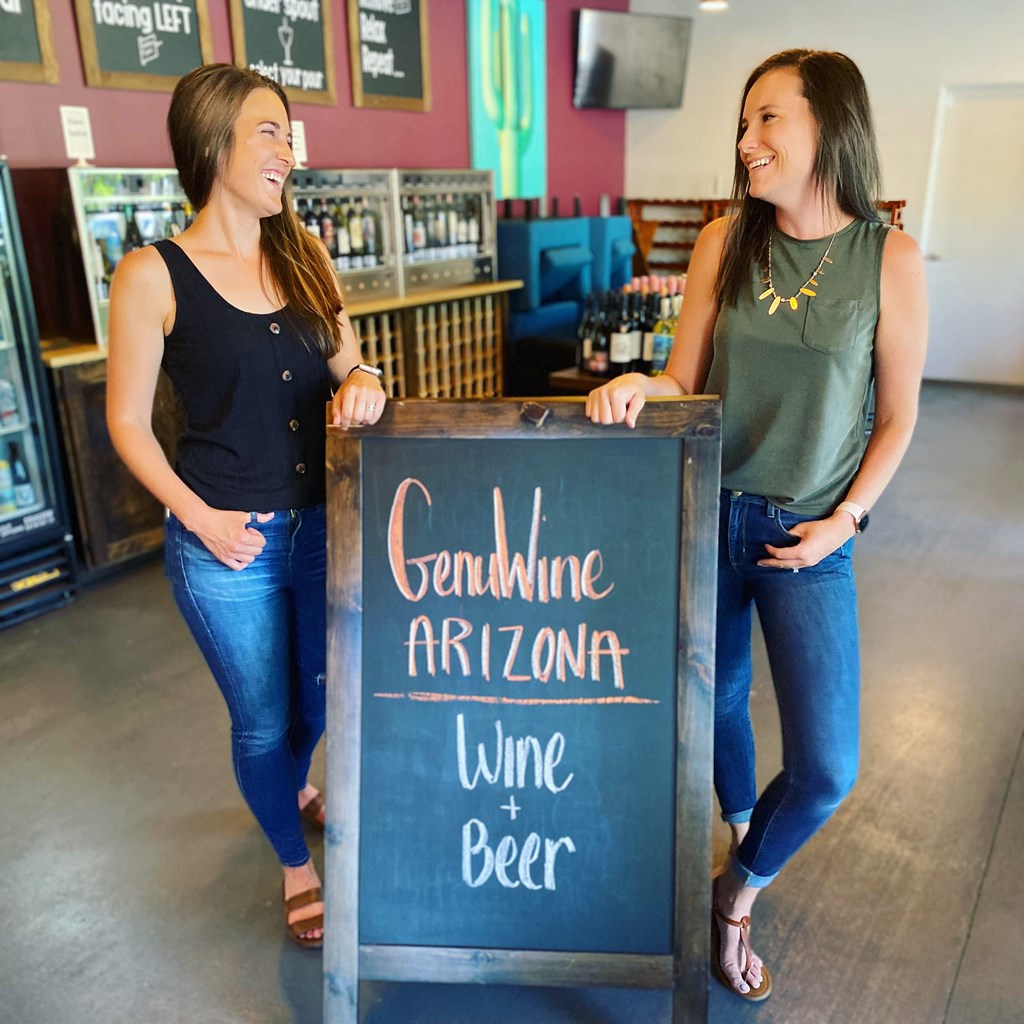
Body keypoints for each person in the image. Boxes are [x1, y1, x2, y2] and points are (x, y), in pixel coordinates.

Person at [586, 49, 927, 1000]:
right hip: (706, 516)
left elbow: (898, 415)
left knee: (826, 766)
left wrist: (846, 521)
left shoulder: (885, 257)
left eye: (768, 119)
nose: (747, 142)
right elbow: (682, 381)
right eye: (744, 124)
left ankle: (732, 894)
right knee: (719, 704)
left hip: (807, 535)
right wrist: (635, 387)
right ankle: (742, 834)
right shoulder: (722, 241)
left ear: (829, 127)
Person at [106, 63, 386, 949]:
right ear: (212, 137)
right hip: (225, 542)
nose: (288, 150)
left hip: (321, 529)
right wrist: (200, 516)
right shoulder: (151, 275)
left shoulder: (305, 255)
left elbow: (351, 362)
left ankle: (292, 783)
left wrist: (368, 381)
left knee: (318, 701)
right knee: (263, 719)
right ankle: (294, 863)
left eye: (288, 133)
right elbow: (127, 425)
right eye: (270, 129)